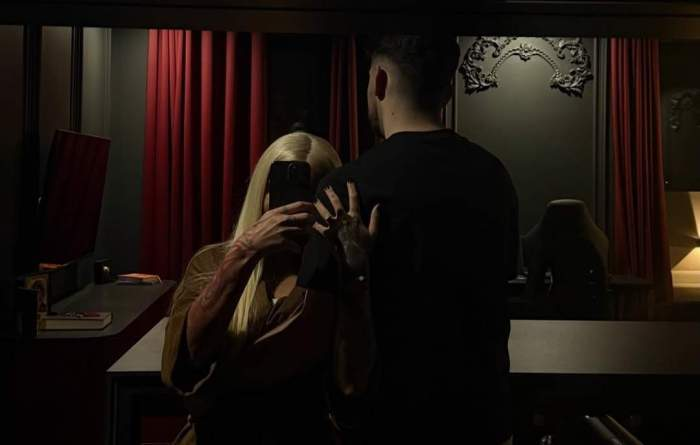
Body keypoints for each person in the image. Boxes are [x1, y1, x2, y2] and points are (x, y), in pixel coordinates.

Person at [299, 35, 519, 444]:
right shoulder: (494, 177)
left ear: (379, 81)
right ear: (447, 91)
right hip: (480, 421)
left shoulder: (346, 190)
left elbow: (315, 333)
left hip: (387, 425)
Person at [161, 131, 351, 444]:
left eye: (311, 191)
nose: (296, 206)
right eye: (282, 192)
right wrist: (244, 253)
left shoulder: (338, 272)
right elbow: (185, 363)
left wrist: (338, 258)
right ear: (261, 193)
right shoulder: (213, 262)